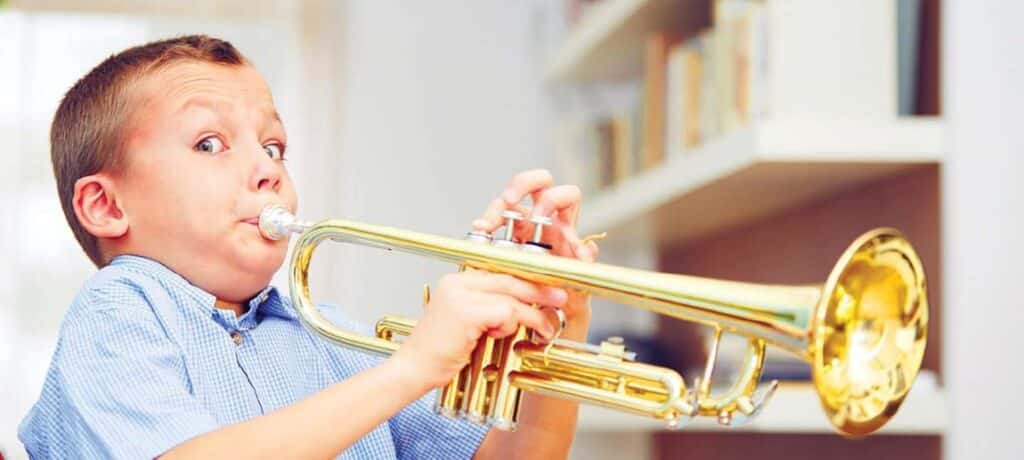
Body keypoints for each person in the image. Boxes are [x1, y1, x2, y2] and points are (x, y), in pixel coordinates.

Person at [18, 35, 599, 459]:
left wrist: (560, 324)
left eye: (274, 146)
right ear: (107, 206)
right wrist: (416, 366)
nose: (266, 170)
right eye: (209, 143)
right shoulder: (119, 313)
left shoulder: (324, 330)